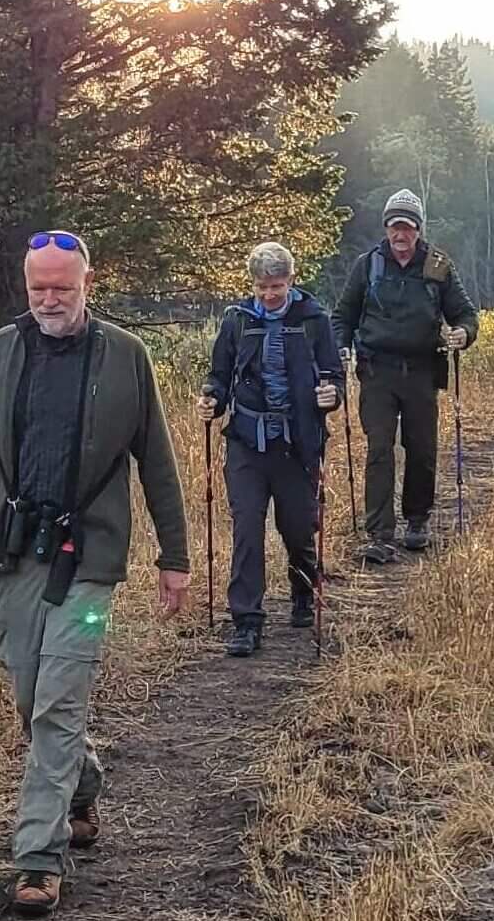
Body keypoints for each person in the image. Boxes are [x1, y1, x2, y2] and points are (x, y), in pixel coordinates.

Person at [0, 231, 191, 919]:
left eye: (62, 288)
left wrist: (174, 559)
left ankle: (38, 857)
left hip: (89, 564)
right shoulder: (3, 355)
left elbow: (156, 461)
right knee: (32, 697)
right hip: (13, 556)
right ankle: (83, 786)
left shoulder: (127, 357)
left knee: (60, 698)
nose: (49, 300)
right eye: (39, 288)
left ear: (88, 283)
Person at [198, 242, 345, 658]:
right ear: (253, 284)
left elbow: (334, 374)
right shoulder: (237, 321)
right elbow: (220, 375)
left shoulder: (314, 320)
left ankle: (303, 588)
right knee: (247, 528)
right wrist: (211, 399)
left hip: (297, 443)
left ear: (291, 280)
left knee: (298, 527)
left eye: (276, 286)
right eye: (262, 286)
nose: (268, 295)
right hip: (247, 441)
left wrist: (330, 395)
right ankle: (246, 621)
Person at [334, 190, 478, 564]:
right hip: (376, 371)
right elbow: (343, 315)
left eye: (408, 227)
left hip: (421, 372)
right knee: (379, 449)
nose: (401, 235)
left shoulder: (438, 266)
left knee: (421, 449)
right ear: (386, 228)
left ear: (418, 230)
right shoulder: (368, 266)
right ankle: (380, 533)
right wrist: (340, 346)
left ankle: (417, 521)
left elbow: (465, 314)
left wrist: (462, 334)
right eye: (395, 227)